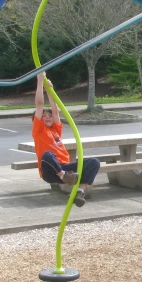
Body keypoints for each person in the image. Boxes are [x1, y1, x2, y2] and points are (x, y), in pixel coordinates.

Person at [32, 72, 100, 207]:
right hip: (50, 171)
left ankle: (80, 191)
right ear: (38, 119)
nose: (47, 117)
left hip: (66, 169)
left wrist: (49, 90)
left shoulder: (56, 130)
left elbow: (56, 110)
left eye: (49, 115)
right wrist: (40, 82)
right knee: (47, 154)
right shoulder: (38, 130)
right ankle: (63, 176)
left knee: (94, 162)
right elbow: (39, 104)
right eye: (44, 116)